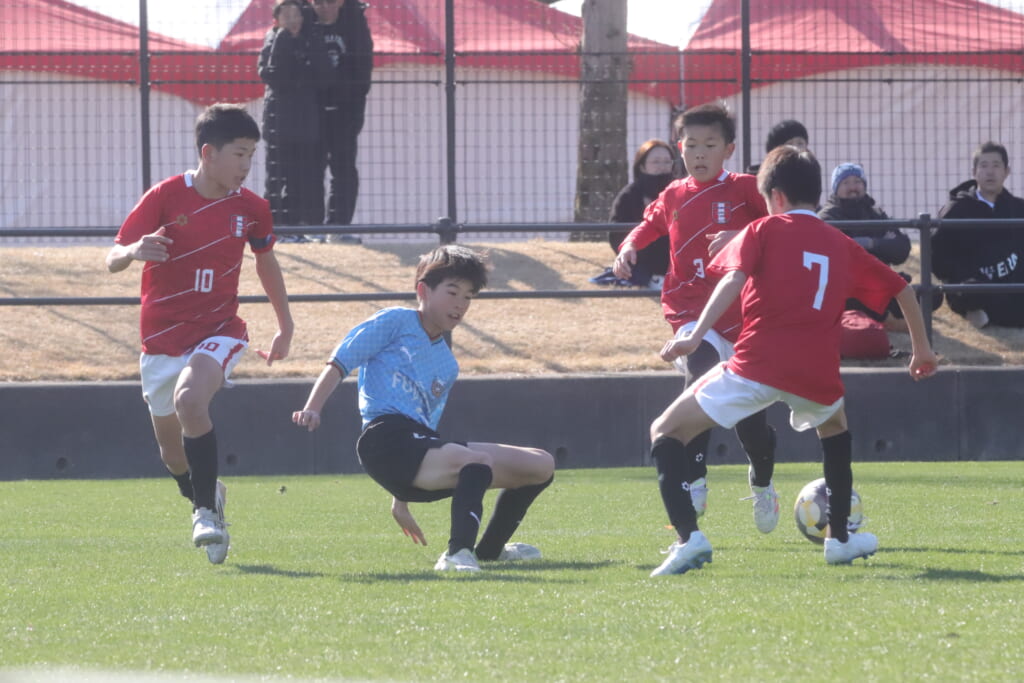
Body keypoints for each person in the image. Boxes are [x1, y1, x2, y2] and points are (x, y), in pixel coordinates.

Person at [646, 145, 939, 576]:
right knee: (835, 430)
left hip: (757, 365)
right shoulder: (839, 243)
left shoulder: (763, 229)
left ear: (776, 197)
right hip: (817, 374)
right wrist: (922, 350)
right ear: (816, 194)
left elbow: (732, 279)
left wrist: (695, 334)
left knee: (665, 431)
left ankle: (689, 539)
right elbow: (902, 289)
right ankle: (840, 540)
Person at [105, 104, 294, 565]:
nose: (246, 165)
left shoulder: (252, 209)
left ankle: (204, 511)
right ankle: (209, 496)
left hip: (219, 330)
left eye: (252, 155)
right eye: (239, 154)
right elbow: (112, 257)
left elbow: (266, 262)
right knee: (173, 457)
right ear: (209, 153)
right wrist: (133, 250)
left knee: (191, 400)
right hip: (161, 338)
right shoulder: (166, 196)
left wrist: (285, 325)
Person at [291, 245, 555, 572]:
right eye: (452, 292)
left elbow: (427, 434)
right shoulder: (394, 321)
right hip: (384, 440)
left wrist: (400, 500)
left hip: (416, 446)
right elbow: (341, 361)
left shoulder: (448, 364)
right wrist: (313, 407)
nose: (460, 304)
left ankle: (489, 552)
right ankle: (457, 554)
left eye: (468, 297)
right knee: (476, 462)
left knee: (541, 464)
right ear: (422, 291)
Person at [612, 102, 780, 536]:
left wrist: (742, 235)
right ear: (679, 147)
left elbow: (781, 226)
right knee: (701, 377)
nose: (699, 153)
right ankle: (695, 476)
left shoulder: (746, 189)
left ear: (729, 149)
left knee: (751, 424)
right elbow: (649, 224)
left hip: (742, 316)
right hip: (689, 310)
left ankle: (762, 482)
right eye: (691, 145)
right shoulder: (672, 194)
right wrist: (629, 247)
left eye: (710, 144)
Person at [819, 163, 937, 337]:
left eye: (857, 181)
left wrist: (871, 243)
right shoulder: (828, 216)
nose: (853, 187)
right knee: (850, 297)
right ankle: (888, 320)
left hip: (882, 284)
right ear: (836, 188)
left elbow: (901, 248)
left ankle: (885, 317)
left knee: (932, 294)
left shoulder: (875, 213)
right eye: (846, 183)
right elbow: (841, 254)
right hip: (851, 289)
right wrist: (881, 243)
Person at [258, 0, 333, 240]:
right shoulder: (272, 39)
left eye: (296, 14)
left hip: (306, 120)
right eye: (286, 14)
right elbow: (271, 74)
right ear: (277, 19)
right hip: (278, 120)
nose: (292, 20)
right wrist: (284, 42)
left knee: (303, 177)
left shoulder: (312, 39)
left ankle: (299, 227)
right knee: (276, 176)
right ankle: (273, 228)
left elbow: (325, 76)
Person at [933, 141, 1024, 328]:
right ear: (974, 172)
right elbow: (937, 256)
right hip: (973, 285)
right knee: (971, 291)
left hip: (1011, 283)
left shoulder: (1018, 208)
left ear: (1006, 171)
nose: (990, 172)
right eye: (984, 166)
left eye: (996, 165)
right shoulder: (956, 209)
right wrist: (962, 275)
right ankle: (974, 310)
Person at [309, 0, 373, 239]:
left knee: (344, 169)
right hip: (313, 112)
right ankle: (313, 228)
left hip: (345, 113)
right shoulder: (304, 24)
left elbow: (363, 71)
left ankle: (338, 226)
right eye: (318, 2)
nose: (324, 7)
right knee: (311, 169)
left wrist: (344, 100)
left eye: (330, 1)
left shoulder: (355, 26)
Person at [591, 139, 676, 288]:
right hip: (640, 260)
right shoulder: (629, 195)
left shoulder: (679, 191)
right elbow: (616, 232)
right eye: (656, 162)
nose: (662, 166)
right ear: (642, 166)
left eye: (667, 162)